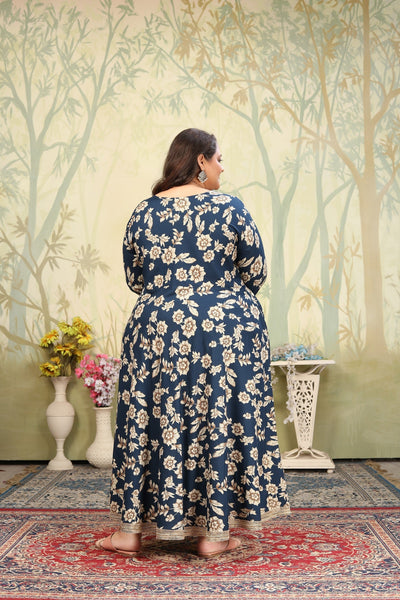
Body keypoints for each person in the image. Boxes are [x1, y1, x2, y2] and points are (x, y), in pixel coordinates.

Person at [96, 128, 290, 559]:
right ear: (201, 160)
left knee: (155, 419)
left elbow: (135, 279)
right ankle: (212, 535)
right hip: (224, 332)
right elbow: (255, 271)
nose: (223, 167)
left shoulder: (144, 211)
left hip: (158, 328)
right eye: (219, 158)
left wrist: (173, 295)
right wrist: (216, 293)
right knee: (218, 418)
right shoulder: (230, 207)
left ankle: (131, 533)